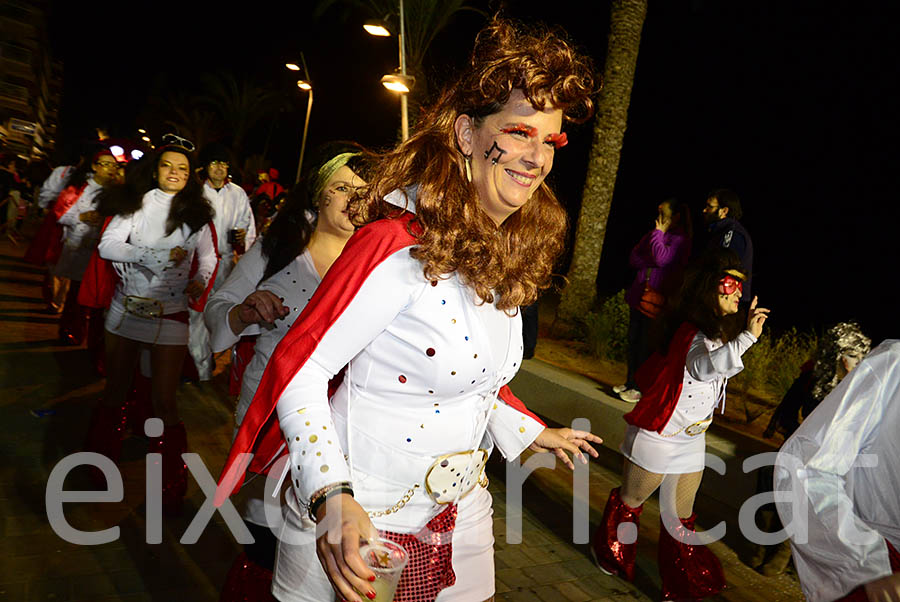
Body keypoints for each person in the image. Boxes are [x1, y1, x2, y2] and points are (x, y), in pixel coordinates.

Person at [214, 18, 601, 602]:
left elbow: (473, 383)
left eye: (549, 141)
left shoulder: (507, 256)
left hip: (460, 510)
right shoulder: (395, 243)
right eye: (520, 132)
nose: (536, 156)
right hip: (358, 516)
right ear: (467, 134)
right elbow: (300, 370)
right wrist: (331, 495)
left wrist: (529, 430)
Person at [207, 141, 368, 601]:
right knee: (264, 538)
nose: (353, 200)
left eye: (363, 193)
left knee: (319, 543)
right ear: (319, 194)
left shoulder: (376, 267)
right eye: (342, 188)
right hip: (270, 418)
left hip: (340, 427)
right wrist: (244, 313)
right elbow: (218, 312)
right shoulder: (276, 251)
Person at [592, 248, 769, 599]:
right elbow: (703, 368)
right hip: (660, 436)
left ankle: (681, 584)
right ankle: (610, 554)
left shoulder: (715, 332)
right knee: (631, 502)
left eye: (740, 286)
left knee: (680, 519)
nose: (738, 293)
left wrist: (741, 336)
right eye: (730, 284)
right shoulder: (690, 333)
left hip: (690, 440)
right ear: (709, 287)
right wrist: (747, 338)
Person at [84, 136, 217, 513]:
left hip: (171, 312)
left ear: (191, 177)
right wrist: (150, 255)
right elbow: (107, 246)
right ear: (155, 169)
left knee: (165, 400)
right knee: (116, 389)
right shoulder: (134, 204)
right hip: (126, 309)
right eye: (167, 166)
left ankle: (170, 480)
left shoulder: (197, 215)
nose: (174, 173)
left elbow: (208, 259)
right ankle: (98, 465)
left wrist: (199, 281)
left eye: (183, 169)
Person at [774, 339, 900, 602]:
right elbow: (807, 460)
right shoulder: (888, 367)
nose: (851, 361)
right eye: (848, 356)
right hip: (880, 560)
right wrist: (864, 565)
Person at [748, 322, 871, 577]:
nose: (855, 363)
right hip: (802, 445)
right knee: (770, 473)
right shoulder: (811, 378)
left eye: (860, 357)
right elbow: (787, 413)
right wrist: (800, 437)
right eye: (850, 355)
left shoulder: (860, 391)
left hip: (835, 456)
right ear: (835, 355)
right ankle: (763, 543)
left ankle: (785, 549)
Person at [187, 143, 256, 381]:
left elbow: (249, 228)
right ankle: (199, 368)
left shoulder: (237, 194)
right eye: (215, 163)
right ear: (206, 166)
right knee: (195, 315)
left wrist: (242, 240)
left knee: (218, 312)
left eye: (224, 164)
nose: (219, 168)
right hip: (197, 264)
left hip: (226, 263)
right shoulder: (195, 192)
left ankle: (214, 356)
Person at [613, 198, 692, 403]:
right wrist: (655, 244)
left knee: (645, 345)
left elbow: (661, 259)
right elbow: (634, 257)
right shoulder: (654, 234)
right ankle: (630, 381)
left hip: (657, 301)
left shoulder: (679, 239)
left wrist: (658, 235)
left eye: (663, 214)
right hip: (639, 296)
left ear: (675, 217)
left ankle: (639, 387)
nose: (658, 218)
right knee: (633, 341)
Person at [51, 150, 120, 347]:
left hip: (102, 250)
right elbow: (59, 213)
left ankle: (93, 338)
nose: (110, 169)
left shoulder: (117, 192)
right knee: (77, 292)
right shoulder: (79, 188)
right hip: (80, 248)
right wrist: (81, 217)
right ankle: (71, 330)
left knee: (98, 294)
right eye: (105, 164)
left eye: (113, 165)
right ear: (95, 166)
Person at [702, 188, 753, 303]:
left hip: (729, 303)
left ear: (724, 211)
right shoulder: (719, 232)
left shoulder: (733, 234)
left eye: (710, 207)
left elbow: (723, 269)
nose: (704, 210)